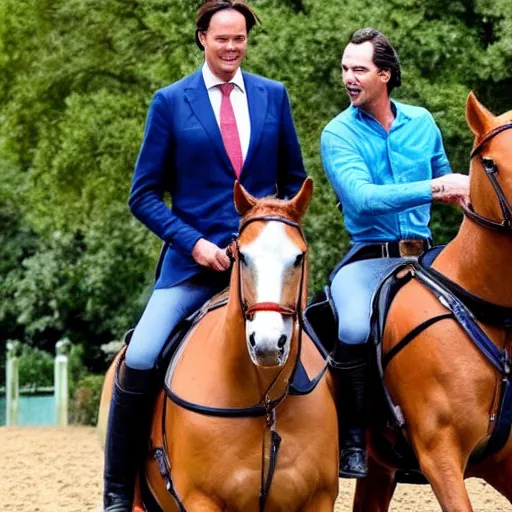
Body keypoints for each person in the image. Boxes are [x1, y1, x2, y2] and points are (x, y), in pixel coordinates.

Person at [103, 1, 306, 510]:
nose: (232, 48)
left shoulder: (273, 96)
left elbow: (292, 183)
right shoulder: (170, 102)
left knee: (320, 353)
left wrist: (267, 231)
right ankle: (116, 492)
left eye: (239, 39)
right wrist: (193, 241)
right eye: (222, 39)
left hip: (261, 270)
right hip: (191, 267)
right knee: (143, 356)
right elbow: (143, 195)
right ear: (202, 39)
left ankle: (341, 454)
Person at [320, 27, 470, 479]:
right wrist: (436, 186)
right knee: (350, 326)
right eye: (345, 68)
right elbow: (363, 198)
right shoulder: (337, 133)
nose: (349, 77)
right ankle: (353, 443)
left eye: (359, 69)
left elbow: (453, 183)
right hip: (368, 258)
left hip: (426, 256)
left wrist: (468, 193)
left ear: (385, 74)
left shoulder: (422, 122)